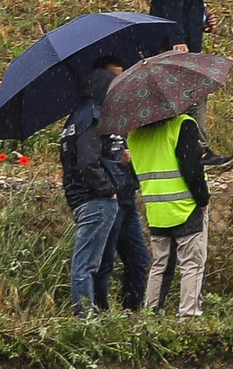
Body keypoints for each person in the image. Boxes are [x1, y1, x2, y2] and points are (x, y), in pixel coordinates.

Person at [148, 0, 232, 169]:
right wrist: (178, 38)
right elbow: (170, 5)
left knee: (191, 95)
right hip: (176, 46)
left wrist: (202, 19)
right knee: (192, 94)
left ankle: (192, 147)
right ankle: (196, 149)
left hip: (182, 41)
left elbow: (182, 4)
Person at [127, 111, 210, 319]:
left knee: (160, 265)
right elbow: (191, 169)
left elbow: (135, 174)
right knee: (192, 264)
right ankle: (188, 316)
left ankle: (151, 315)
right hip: (185, 207)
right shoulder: (182, 125)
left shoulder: (134, 135)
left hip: (156, 211)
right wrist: (203, 199)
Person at [61, 67, 122, 316]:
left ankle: (93, 314)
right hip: (94, 199)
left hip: (79, 197)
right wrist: (108, 189)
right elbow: (88, 161)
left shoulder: (74, 118)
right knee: (86, 264)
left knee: (90, 263)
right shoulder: (93, 117)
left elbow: (70, 160)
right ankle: (85, 319)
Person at [91, 57, 149, 314]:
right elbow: (88, 160)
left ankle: (131, 313)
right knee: (104, 263)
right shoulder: (92, 116)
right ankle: (101, 315)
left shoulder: (126, 115)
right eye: (113, 77)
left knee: (139, 261)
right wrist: (115, 159)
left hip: (127, 197)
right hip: (107, 198)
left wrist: (130, 158)